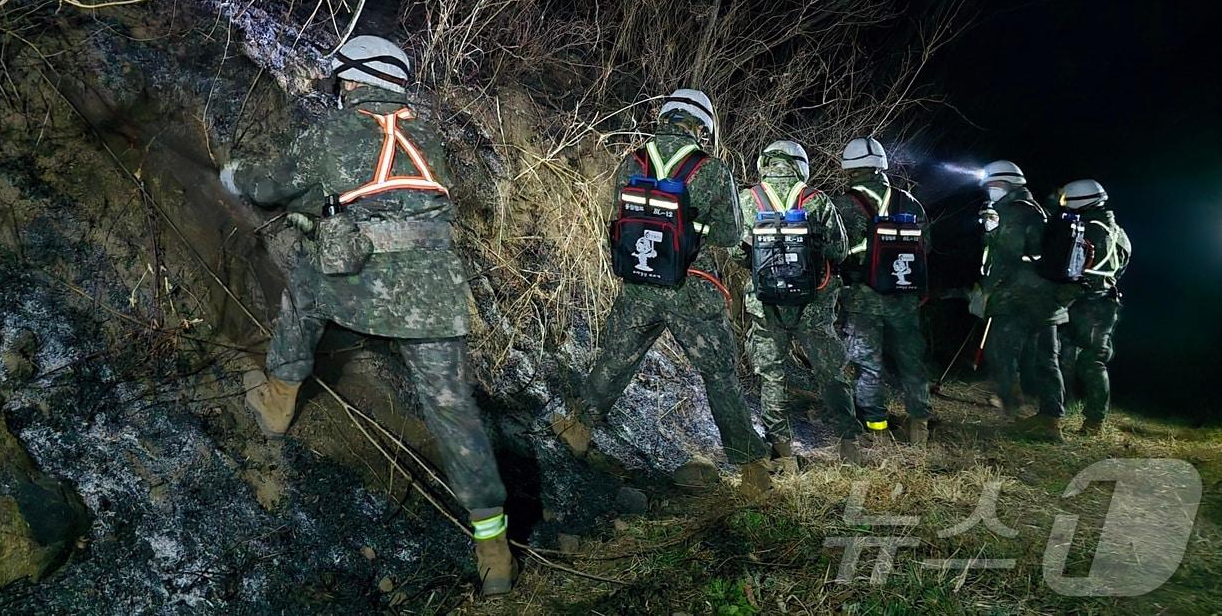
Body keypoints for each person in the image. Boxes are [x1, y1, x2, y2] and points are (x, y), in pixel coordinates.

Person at [220, 35, 515, 596]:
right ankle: (493, 547)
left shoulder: (333, 130)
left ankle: (278, 402)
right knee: (454, 409)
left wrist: (236, 175)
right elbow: (389, 194)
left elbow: (273, 187)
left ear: (351, 81)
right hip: (437, 290)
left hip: (362, 284)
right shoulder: (429, 136)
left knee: (302, 291)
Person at [549, 89, 773, 500]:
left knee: (617, 357)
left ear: (665, 116)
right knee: (719, 375)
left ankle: (579, 429)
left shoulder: (632, 160)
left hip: (640, 282)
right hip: (693, 287)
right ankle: (752, 469)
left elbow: (611, 215)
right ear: (702, 126)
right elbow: (730, 235)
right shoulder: (712, 170)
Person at [740, 139, 859, 467]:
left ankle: (782, 451)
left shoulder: (748, 200)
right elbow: (840, 251)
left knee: (772, 375)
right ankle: (849, 443)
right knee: (830, 371)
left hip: (766, 305)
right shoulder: (817, 200)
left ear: (765, 163)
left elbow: (735, 252)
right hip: (814, 304)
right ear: (800, 166)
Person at [832, 137, 932, 446]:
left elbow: (835, 251)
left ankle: (875, 429)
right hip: (904, 295)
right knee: (912, 360)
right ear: (882, 166)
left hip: (862, 297)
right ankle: (919, 426)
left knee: (867, 365)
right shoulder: (909, 202)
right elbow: (925, 245)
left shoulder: (845, 204)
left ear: (849, 169)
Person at [978, 160, 1073, 442]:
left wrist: (987, 288)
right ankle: (1051, 418)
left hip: (1018, 296)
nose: (989, 190)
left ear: (1004, 185)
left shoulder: (1012, 212)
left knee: (1001, 351)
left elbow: (1006, 255)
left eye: (991, 185)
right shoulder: (1037, 210)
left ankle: (1011, 405)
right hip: (1047, 297)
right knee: (1048, 359)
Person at [1058, 180, 1132, 434]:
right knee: (1085, 359)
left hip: (1086, 302)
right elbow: (1120, 268)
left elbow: (1073, 266)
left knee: (1085, 361)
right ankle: (1082, 416)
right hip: (1105, 302)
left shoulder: (1087, 229)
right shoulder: (1118, 231)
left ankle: (1089, 421)